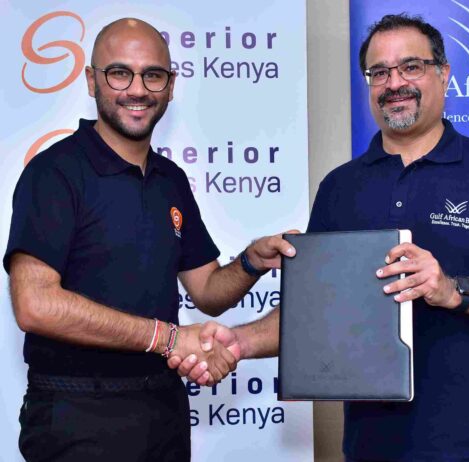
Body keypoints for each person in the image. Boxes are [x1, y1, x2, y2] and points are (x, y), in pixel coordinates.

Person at [173, 13, 469, 462]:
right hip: (375, 450)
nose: (394, 82)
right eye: (379, 72)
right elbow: (319, 314)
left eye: (411, 66)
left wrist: (453, 290)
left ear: (443, 75)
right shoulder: (340, 187)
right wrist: (241, 342)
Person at [4, 18, 294, 462]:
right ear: (91, 81)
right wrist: (168, 338)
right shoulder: (55, 173)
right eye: (120, 73)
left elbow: (208, 291)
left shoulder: (170, 180)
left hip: (163, 409)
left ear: (170, 86)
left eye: (153, 75)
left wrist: (252, 261)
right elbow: (35, 304)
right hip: (75, 414)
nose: (137, 89)